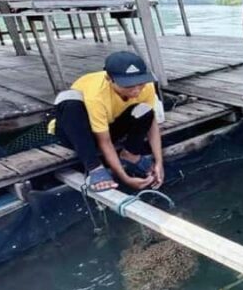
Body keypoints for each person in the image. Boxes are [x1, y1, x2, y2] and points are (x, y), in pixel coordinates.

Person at [48, 51, 164, 192]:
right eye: (128, 86)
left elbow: (151, 124)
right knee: (69, 100)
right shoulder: (96, 94)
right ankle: (94, 167)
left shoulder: (146, 86)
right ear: (109, 79)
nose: (136, 90)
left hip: (109, 125)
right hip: (78, 133)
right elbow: (104, 141)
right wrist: (125, 178)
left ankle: (130, 154)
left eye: (140, 84)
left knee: (145, 110)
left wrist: (159, 162)